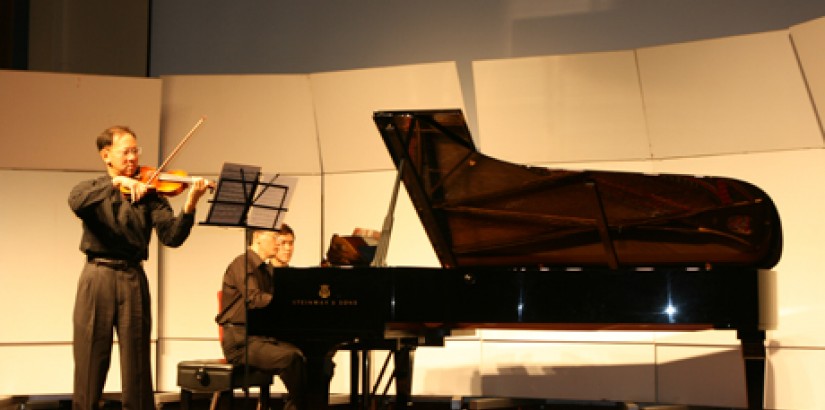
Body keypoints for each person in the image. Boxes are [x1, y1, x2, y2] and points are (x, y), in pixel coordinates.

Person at [69, 125, 212, 410]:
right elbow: (75, 201)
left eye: (136, 151)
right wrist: (117, 183)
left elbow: (172, 237)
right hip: (97, 275)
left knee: (136, 362)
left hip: (133, 277)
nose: (133, 157)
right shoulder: (92, 189)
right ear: (106, 155)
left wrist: (190, 205)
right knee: (90, 359)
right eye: (126, 151)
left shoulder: (151, 193)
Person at [216, 224, 307, 410]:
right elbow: (254, 298)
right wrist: (288, 301)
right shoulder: (241, 263)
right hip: (241, 342)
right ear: (257, 237)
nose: (277, 243)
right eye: (274, 237)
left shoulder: (265, 270)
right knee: (291, 358)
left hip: (260, 338)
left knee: (311, 357)